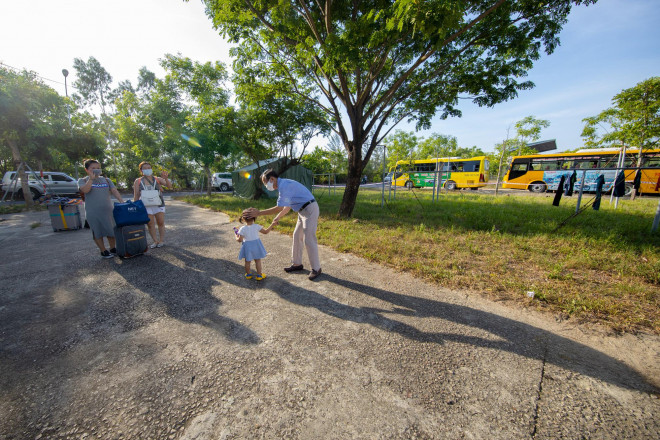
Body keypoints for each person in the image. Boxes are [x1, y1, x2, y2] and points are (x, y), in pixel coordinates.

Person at [242, 169, 322, 280]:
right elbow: (287, 206)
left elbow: (279, 207)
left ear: (272, 179)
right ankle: (297, 264)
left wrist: (259, 213)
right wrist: (278, 217)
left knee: (309, 239)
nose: (266, 185)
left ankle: (316, 269)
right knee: (296, 236)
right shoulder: (283, 186)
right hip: (302, 211)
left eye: (265, 182)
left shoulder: (285, 186)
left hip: (310, 210)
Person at [78, 159, 125, 258]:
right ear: (87, 170)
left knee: (111, 230)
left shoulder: (106, 180)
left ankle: (113, 248)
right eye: (93, 168)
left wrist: (121, 201)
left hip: (108, 210)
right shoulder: (83, 180)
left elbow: (114, 191)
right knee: (97, 231)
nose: (96, 170)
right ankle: (103, 250)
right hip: (93, 211)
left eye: (98, 168)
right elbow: (85, 190)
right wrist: (91, 179)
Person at [133, 162, 172, 248]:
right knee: (150, 224)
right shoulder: (138, 181)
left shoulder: (157, 179)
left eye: (149, 167)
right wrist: (135, 206)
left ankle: (161, 240)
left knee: (160, 222)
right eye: (145, 168)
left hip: (158, 204)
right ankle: (155, 241)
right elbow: (136, 195)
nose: (147, 169)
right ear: (141, 170)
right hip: (145, 205)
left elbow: (169, 186)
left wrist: (166, 179)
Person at [235, 213, 275, 281]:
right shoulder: (256, 226)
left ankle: (248, 275)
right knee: (258, 261)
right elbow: (266, 232)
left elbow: (240, 240)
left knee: (247, 261)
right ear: (254, 218)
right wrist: (272, 224)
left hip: (247, 246)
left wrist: (236, 236)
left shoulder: (242, 228)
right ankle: (259, 275)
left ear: (243, 219)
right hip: (256, 245)